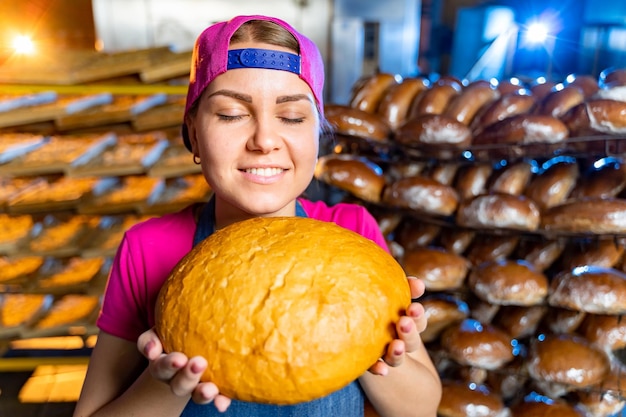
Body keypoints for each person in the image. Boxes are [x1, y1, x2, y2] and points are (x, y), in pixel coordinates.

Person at [73, 14, 441, 417]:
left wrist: (374, 337)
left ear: (316, 134)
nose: (264, 140)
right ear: (194, 132)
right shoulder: (149, 247)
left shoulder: (354, 234)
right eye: (231, 113)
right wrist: (168, 383)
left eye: (292, 117)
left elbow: (419, 409)